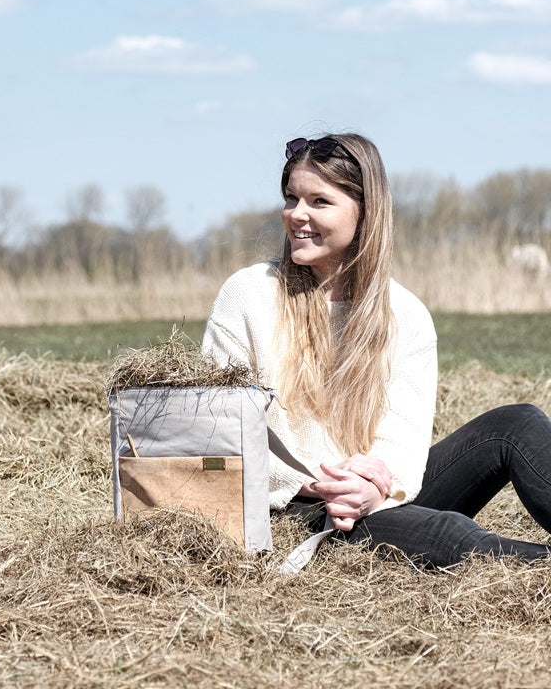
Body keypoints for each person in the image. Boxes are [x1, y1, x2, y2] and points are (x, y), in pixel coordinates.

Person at [201, 133, 551, 568]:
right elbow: (217, 429)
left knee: (516, 424)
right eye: (291, 198)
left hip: (375, 494)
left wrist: (376, 486)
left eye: (319, 201)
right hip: (291, 505)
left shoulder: (405, 313)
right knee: (449, 533)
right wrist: (319, 486)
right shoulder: (249, 295)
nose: (297, 215)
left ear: (365, 213)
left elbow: (403, 437)